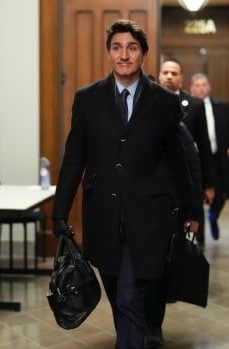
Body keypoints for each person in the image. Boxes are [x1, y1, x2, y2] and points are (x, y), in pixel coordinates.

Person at [51, 19, 195, 349]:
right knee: (118, 293)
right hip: (103, 214)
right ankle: (136, 334)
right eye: (117, 48)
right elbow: (74, 158)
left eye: (131, 48)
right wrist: (60, 212)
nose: (123, 55)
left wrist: (190, 209)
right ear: (109, 54)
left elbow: (177, 160)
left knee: (130, 295)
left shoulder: (164, 102)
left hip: (149, 216)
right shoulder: (87, 99)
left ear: (143, 54)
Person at [141, 67, 205, 349]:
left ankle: (153, 326)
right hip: (131, 212)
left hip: (165, 212)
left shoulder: (174, 127)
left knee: (156, 274)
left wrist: (193, 214)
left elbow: (192, 168)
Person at [158, 59, 216, 247]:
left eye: (174, 73)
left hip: (187, 179)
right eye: (165, 72)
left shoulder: (194, 105)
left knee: (189, 244)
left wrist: (208, 185)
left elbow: (204, 147)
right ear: (159, 76)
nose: (168, 76)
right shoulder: (149, 101)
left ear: (181, 79)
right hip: (158, 181)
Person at [190, 73, 229, 241]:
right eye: (197, 85)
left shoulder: (223, 107)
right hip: (195, 160)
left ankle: (213, 216)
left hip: (218, 158)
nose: (201, 88)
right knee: (197, 199)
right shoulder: (185, 107)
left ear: (209, 87)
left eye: (204, 84)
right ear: (191, 89)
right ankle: (199, 242)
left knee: (221, 194)